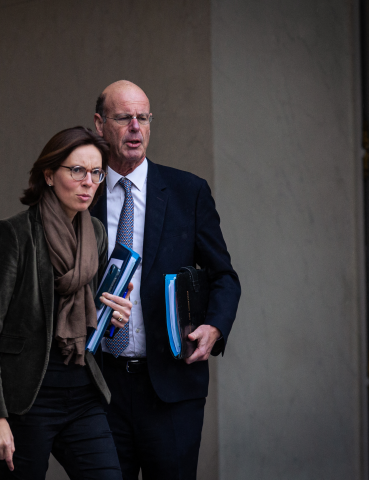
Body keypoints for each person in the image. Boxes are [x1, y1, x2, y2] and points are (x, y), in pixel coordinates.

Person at [91, 80, 241, 479]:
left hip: (172, 389)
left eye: (144, 117)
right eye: (124, 118)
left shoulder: (186, 192)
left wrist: (214, 326)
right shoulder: (84, 194)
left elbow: (225, 276)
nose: (136, 127)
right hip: (99, 388)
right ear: (100, 124)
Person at [0, 126, 134, 480]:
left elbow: (88, 311)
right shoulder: (13, 235)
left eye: (96, 172)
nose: (88, 182)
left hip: (82, 393)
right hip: (28, 399)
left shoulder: (97, 234)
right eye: (77, 170)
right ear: (48, 175)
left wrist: (112, 315)